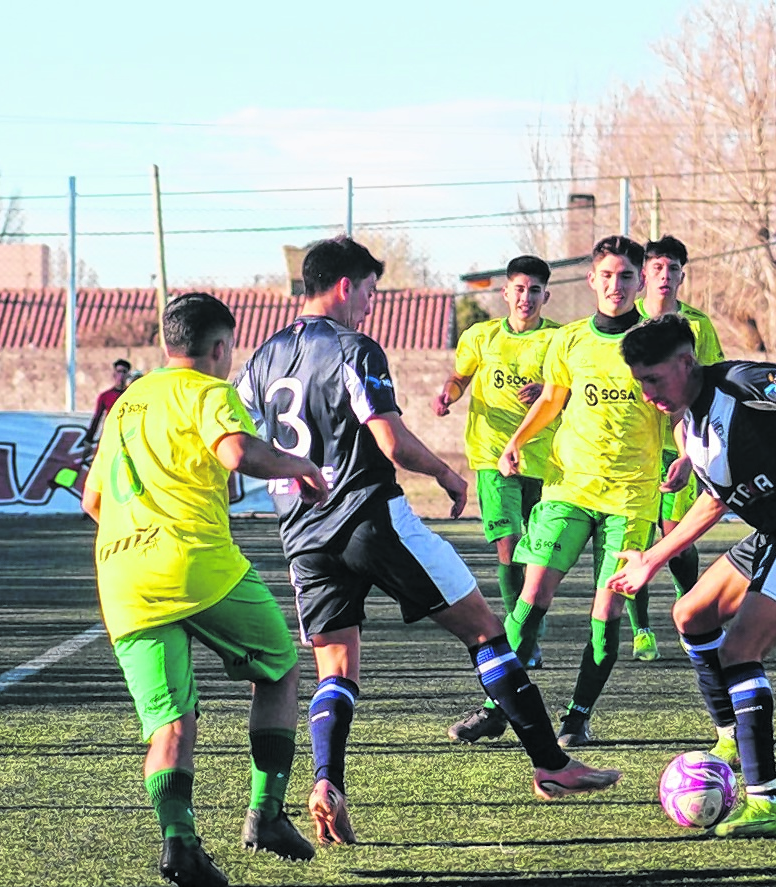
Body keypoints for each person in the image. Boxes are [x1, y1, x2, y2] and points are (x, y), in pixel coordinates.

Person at [236, 237, 622, 846]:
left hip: (303, 534)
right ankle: (550, 762)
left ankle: (327, 780)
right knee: (484, 631)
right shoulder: (353, 348)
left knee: (335, 669)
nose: (369, 304)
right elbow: (388, 438)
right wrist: (444, 472)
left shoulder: (260, 360)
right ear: (344, 286)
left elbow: (248, 444)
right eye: (367, 291)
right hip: (371, 517)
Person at [81, 293, 330, 887]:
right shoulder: (210, 392)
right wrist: (301, 466)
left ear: (168, 344)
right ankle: (265, 814)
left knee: (171, 722)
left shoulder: (127, 402)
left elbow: (92, 500)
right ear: (220, 348)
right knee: (279, 669)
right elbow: (238, 452)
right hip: (197, 564)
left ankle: (180, 844)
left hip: (120, 577)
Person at [609, 314, 776, 838]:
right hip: (774, 531)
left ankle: (765, 803)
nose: (647, 393)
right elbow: (716, 501)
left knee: (739, 650)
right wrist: (652, 558)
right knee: (689, 614)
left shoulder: (741, 382)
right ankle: (731, 732)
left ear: (686, 363)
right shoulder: (685, 423)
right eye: (639, 381)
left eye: (654, 379)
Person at [455, 235, 670, 749]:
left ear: (639, 281)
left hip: (631, 497)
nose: (616, 285)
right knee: (530, 597)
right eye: (607, 276)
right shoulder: (568, 340)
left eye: (626, 276)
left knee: (606, 612)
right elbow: (552, 399)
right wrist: (515, 442)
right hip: (568, 487)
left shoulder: (658, 340)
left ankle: (577, 716)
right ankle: (496, 706)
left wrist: (684, 456)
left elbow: (677, 406)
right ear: (591, 280)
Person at [433, 255, 558, 699]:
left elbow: (571, 390)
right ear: (505, 292)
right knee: (507, 543)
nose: (526, 297)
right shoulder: (480, 336)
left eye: (535, 290)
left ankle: (525, 631)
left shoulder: (558, 340)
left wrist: (547, 391)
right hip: (491, 455)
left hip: (544, 459)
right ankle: (520, 642)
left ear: (547, 295)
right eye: (519, 289)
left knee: (535, 552)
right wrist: (447, 395)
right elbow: (459, 377)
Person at [627, 235, 726, 668]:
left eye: (673, 269)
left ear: (683, 275)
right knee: (633, 538)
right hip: (633, 451)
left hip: (682, 448)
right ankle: (641, 629)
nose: (665, 276)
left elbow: (711, 385)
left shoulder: (699, 327)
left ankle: (693, 609)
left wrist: (689, 453)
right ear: (644, 273)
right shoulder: (625, 323)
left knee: (676, 536)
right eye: (658, 268)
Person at [85, 358, 133, 451]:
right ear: (114, 374)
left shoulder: (132, 394)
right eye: (119, 372)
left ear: (128, 375)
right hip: (111, 437)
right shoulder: (105, 396)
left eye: (124, 372)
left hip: (129, 437)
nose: (121, 375)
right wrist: (88, 440)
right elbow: (97, 418)